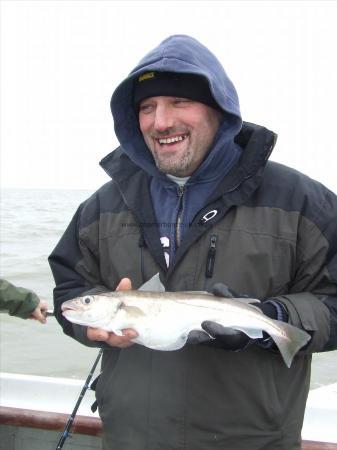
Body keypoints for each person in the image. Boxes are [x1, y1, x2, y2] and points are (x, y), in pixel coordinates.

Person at [49, 35, 337, 450]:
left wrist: (270, 317)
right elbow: (71, 293)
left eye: (179, 102)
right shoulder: (101, 207)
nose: (160, 121)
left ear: (220, 110)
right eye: (146, 107)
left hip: (252, 440)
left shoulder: (301, 201)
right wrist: (94, 325)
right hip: (131, 437)